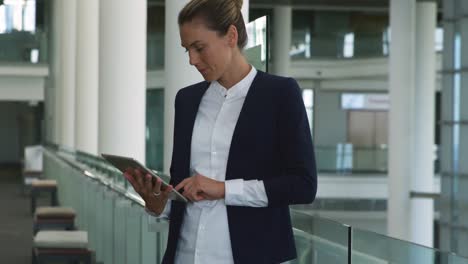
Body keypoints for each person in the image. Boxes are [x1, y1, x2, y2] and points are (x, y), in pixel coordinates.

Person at [124, 0, 317, 263]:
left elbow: (303, 186)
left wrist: (224, 189)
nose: (192, 60)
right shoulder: (187, 100)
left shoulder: (280, 94)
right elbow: (184, 185)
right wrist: (160, 205)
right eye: (187, 50)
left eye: (199, 48)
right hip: (185, 255)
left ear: (231, 36)